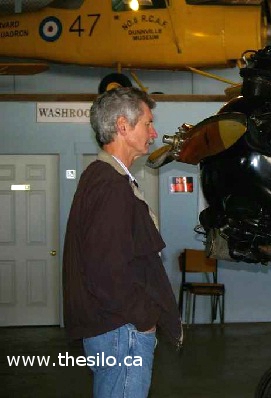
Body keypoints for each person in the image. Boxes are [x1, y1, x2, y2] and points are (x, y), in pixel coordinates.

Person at [63, 87, 182, 398]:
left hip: (115, 328)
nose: (154, 133)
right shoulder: (110, 185)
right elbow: (105, 269)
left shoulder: (106, 178)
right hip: (121, 330)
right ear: (122, 126)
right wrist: (143, 319)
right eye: (147, 123)